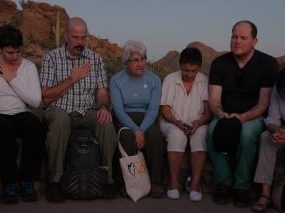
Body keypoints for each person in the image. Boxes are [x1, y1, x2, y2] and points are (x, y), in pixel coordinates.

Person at [39, 17, 118, 202]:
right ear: (65, 36)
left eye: (83, 38)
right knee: (60, 121)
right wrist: (72, 79)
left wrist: (105, 107)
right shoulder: (52, 58)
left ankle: (106, 179)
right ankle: (55, 181)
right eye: (75, 37)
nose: (80, 42)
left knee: (106, 124)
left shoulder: (95, 59)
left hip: (87, 110)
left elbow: (102, 91)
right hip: (59, 109)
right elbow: (46, 96)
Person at [207, 20, 279, 208]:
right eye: (234, 36)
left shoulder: (268, 64)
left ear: (254, 41)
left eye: (243, 37)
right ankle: (223, 183)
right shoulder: (219, 63)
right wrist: (220, 113)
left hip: (252, 115)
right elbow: (214, 99)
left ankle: (241, 186)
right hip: (225, 113)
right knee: (214, 131)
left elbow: (264, 103)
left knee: (246, 136)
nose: (237, 41)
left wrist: (243, 118)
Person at [0, 25, 45, 204]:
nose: (15, 57)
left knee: (34, 126)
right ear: (0, 49)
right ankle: (10, 184)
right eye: (9, 52)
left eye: (18, 52)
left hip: (19, 112)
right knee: (4, 131)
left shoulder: (29, 67)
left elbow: (35, 101)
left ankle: (28, 181)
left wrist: (12, 79)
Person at [110, 40, 165, 198]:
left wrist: (141, 130)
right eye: (135, 60)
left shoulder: (154, 79)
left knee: (154, 136)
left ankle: (155, 182)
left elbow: (153, 109)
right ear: (126, 62)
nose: (140, 63)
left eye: (142, 59)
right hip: (125, 118)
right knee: (127, 136)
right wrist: (135, 130)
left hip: (147, 118)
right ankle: (128, 182)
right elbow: (119, 111)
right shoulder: (116, 80)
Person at [160, 47, 211, 201]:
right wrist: (177, 122)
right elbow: (165, 110)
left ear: (199, 68)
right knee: (177, 135)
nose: (189, 74)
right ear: (180, 66)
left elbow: (208, 113)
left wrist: (198, 122)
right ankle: (173, 182)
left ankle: (195, 184)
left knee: (200, 135)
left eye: (193, 71)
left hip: (198, 122)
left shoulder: (204, 80)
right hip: (172, 121)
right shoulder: (170, 79)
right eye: (186, 70)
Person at [252, 68, 285, 213]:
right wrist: (275, 130)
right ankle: (265, 194)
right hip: (282, 129)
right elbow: (273, 117)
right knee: (266, 137)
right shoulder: (278, 90)